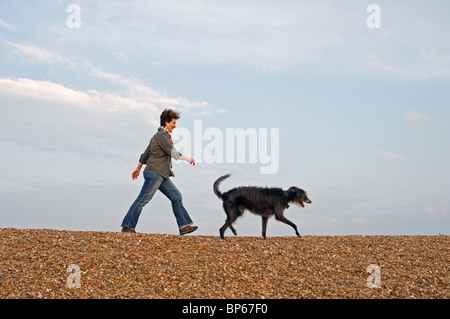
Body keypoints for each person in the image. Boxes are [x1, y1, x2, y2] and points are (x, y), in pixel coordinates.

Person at [121, 109, 198, 235]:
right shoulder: (162, 135)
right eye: (173, 122)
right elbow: (172, 152)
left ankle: (184, 226)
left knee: (176, 196)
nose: (175, 125)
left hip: (161, 174)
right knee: (142, 200)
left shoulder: (158, 136)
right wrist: (188, 159)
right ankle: (127, 226)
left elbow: (145, 154)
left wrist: (138, 168)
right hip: (155, 173)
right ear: (166, 122)